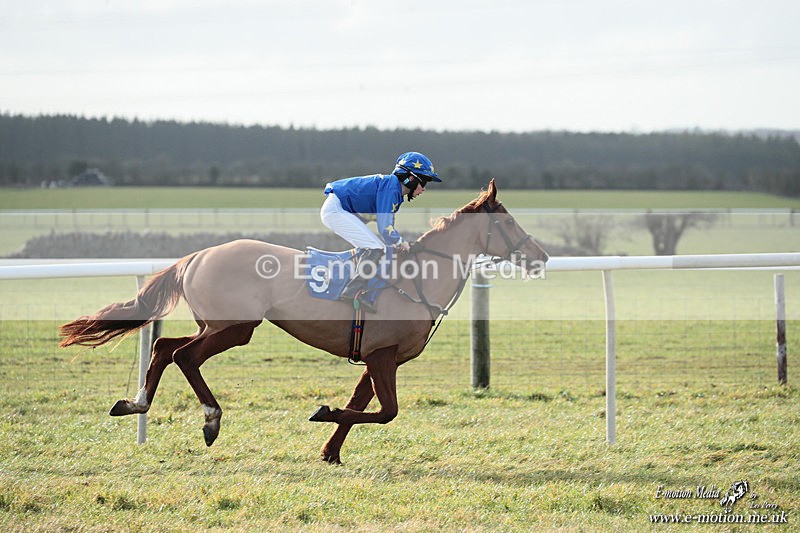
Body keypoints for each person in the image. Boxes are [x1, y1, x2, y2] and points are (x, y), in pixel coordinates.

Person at [320, 151, 441, 310]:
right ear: (410, 179)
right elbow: (385, 230)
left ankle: (358, 289)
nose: (424, 189)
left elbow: (390, 230)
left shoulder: (394, 192)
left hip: (340, 209)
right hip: (336, 210)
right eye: (424, 182)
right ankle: (352, 291)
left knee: (378, 248)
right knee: (376, 248)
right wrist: (406, 245)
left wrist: (400, 244)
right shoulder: (391, 188)